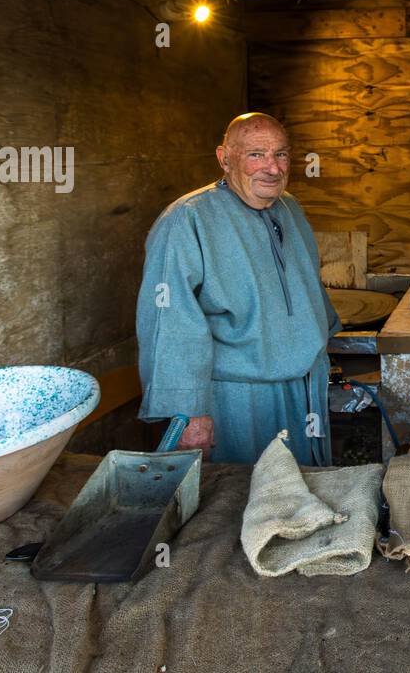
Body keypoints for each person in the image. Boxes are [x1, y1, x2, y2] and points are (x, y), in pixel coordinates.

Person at [136, 112, 342, 464]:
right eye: (256, 155)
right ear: (225, 158)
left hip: (302, 387)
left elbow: (308, 290)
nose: (273, 168)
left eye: (280, 154)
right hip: (237, 396)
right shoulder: (188, 219)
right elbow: (170, 322)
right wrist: (189, 414)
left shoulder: (290, 208)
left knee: (300, 496)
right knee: (243, 498)